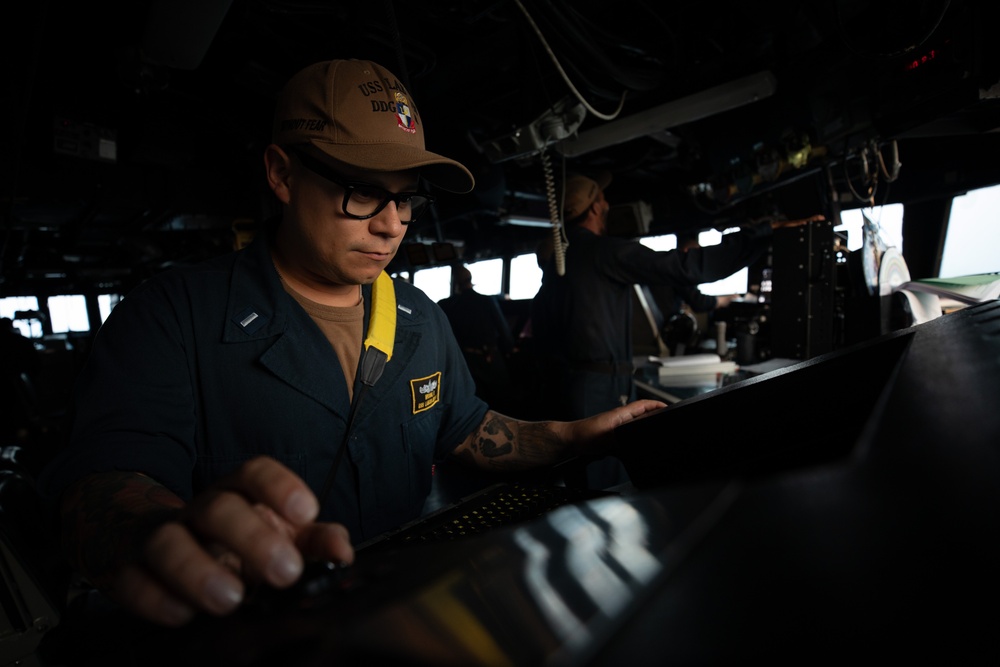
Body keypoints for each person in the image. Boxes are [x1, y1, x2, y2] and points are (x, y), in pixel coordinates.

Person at [36, 59, 665, 629]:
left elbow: (468, 427)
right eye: (362, 190)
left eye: (405, 198)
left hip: (407, 612)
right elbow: (104, 480)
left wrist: (571, 436)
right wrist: (157, 534)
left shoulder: (419, 316)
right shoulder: (174, 316)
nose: (391, 224)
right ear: (282, 174)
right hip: (259, 629)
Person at [529, 171, 823, 488]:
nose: (608, 203)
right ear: (596, 208)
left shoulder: (559, 260)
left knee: (582, 477)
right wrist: (764, 232)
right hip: (599, 388)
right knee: (605, 484)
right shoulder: (602, 251)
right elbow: (688, 268)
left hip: (569, 383)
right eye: (603, 199)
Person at [437, 264, 516, 411]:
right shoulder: (487, 301)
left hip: (465, 363)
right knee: (503, 404)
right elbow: (504, 332)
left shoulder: (446, 305)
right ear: (470, 280)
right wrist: (510, 349)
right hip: (492, 359)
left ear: (454, 283)